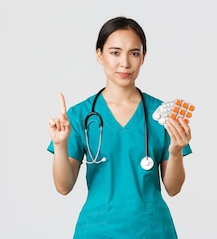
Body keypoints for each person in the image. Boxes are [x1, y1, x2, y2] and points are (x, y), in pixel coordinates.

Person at [46, 16, 193, 238]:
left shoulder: (163, 115)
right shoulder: (79, 116)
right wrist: (60, 145)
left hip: (152, 230)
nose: (124, 63)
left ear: (143, 57)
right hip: (98, 231)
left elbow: (173, 188)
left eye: (134, 53)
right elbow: (63, 186)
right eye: (115, 52)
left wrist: (175, 152)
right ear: (99, 55)